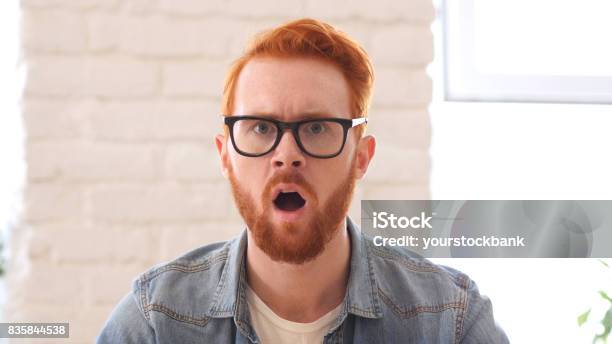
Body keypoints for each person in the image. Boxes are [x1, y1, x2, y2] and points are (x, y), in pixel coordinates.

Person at [98, 18, 508, 343]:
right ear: (225, 155)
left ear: (361, 156)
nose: (287, 154)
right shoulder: (154, 323)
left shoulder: (450, 320)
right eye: (260, 128)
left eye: (316, 128)